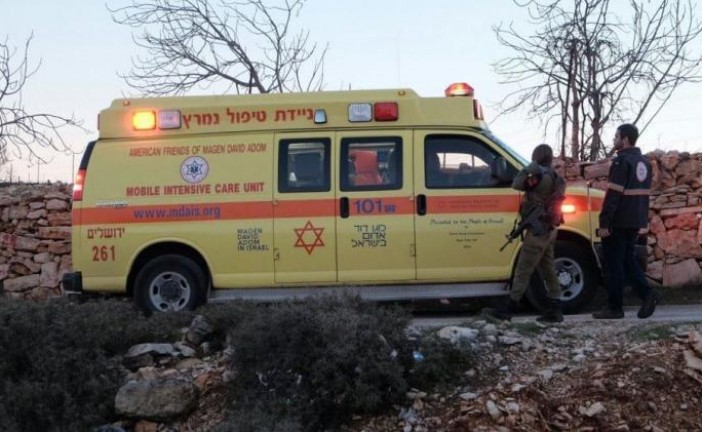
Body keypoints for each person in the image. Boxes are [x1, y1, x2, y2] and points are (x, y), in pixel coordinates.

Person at [484, 144, 566, 323]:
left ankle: (509, 308)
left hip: (538, 231)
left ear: (536, 156)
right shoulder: (554, 176)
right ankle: (556, 308)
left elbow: (516, 183)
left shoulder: (537, 176)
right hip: (549, 229)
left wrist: (530, 167)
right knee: (548, 269)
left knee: (523, 269)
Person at [593, 124, 660, 319]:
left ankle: (615, 308)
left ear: (625, 139)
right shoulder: (645, 163)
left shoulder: (621, 162)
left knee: (614, 263)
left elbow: (613, 195)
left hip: (619, 220)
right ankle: (648, 294)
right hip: (635, 219)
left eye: (616, 136)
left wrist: (604, 222)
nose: (614, 140)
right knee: (627, 260)